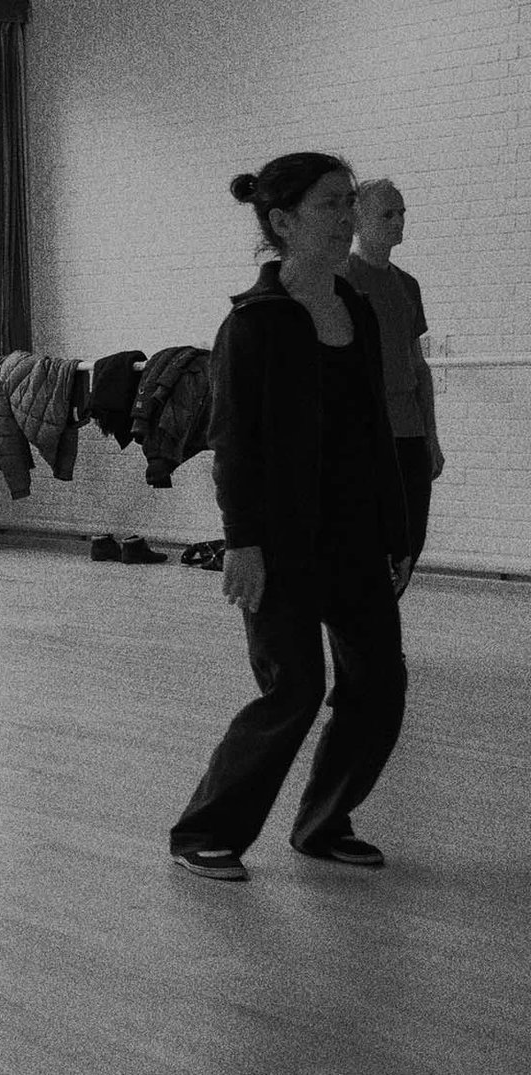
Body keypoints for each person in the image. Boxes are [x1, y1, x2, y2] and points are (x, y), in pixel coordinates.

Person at [169, 154, 412, 882]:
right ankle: (204, 832)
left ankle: (323, 822)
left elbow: (374, 429)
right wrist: (241, 543)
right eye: (330, 205)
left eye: (349, 204)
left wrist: (397, 530)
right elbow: (233, 444)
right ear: (281, 221)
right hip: (279, 542)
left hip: (356, 535)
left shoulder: (356, 310)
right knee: (293, 691)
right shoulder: (252, 324)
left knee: (378, 686)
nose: (346, 219)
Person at [345, 178, 440, 583]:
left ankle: (383, 620)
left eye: (402, 212)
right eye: (388, 214)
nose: (399, 221)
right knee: (367, 549)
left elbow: (418, 365)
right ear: (357, 220)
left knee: (408, 545)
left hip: (409, 433)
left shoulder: (407, 285)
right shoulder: (342, 279)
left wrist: (431, 437)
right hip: (365, 437)